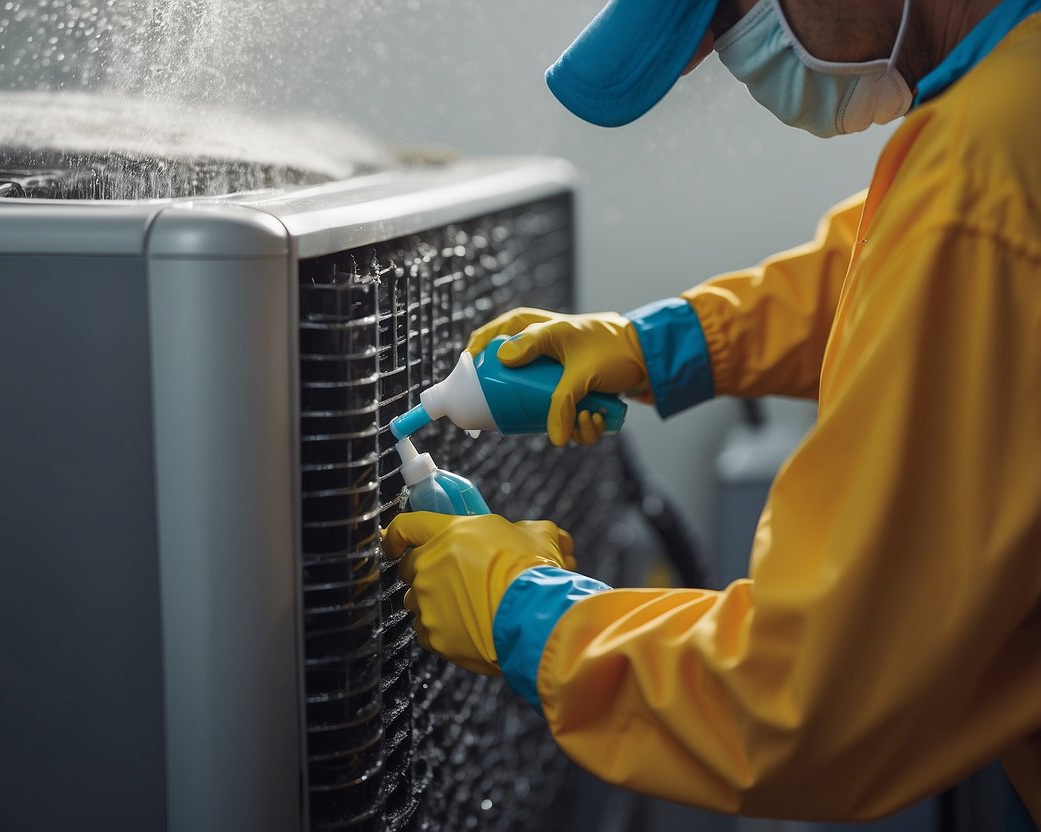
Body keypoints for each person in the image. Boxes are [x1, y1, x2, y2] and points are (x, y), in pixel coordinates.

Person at [381, 0, 1041, 823]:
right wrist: (656, 347)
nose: (731, 63)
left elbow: (806, 704)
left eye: (731, 16)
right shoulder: (1007, 96)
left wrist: (519, 610)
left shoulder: (985, 167)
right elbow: (889, 267)